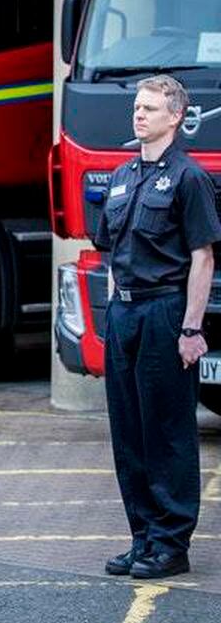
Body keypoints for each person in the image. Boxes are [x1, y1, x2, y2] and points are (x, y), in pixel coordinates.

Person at [92, 75, 220, 580]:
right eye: (137, 107)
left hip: (165, 311)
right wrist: (109, 318)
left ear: (175, 117)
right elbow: (110, 255)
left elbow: (202, 257)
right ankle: (142, 537)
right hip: (124, 314)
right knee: (129, 431)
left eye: (149, 108)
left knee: (167, 431)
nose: (138, 115)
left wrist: (191, 329)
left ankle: (171, 543)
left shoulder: (188, 178)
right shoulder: (123, 175)